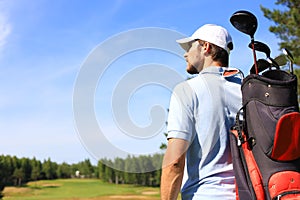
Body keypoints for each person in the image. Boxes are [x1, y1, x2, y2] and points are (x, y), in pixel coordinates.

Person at [160, 24, 242, 200]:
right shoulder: (247, 89)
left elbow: (175, 161)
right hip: (247, 194)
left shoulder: (186, 90)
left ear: (206, 47)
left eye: (190, 47)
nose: (185, 54)